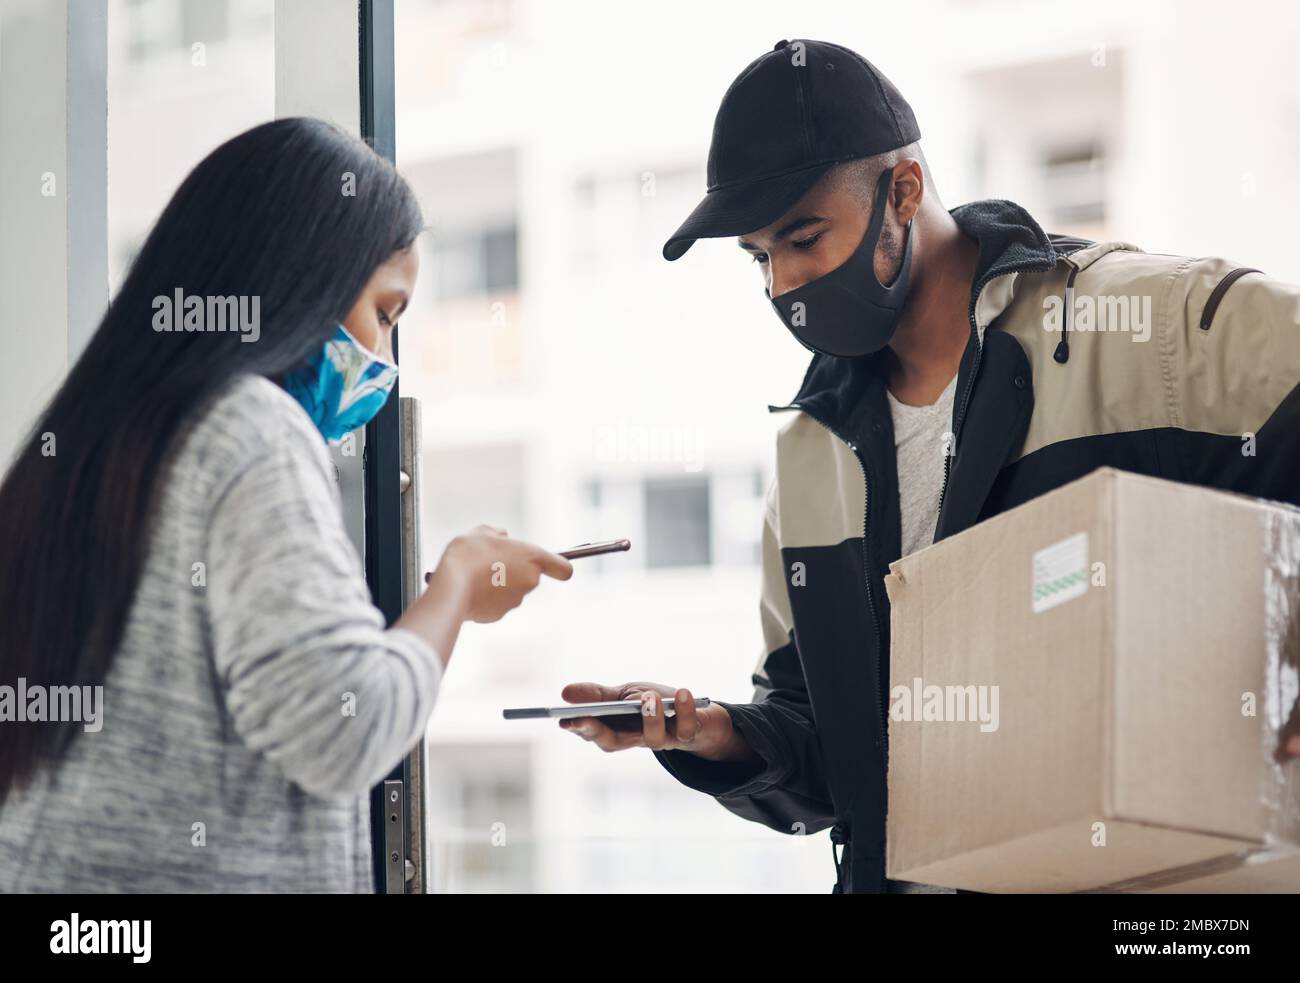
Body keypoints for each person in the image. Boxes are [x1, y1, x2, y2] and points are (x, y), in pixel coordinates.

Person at [559, 38, 1300, 893]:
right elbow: (833, 761)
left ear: (903, 190)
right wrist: (719, 736)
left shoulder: (1141, 330)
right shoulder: (810, 457)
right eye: (761, 259)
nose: (782, 286)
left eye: (803, 238)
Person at [0, 117, 572, 892]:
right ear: (299, 281)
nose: (388, 364)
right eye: (385, 314)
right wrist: (460, 582)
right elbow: (346, 724)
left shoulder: (98, 442)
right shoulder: (249, 431)